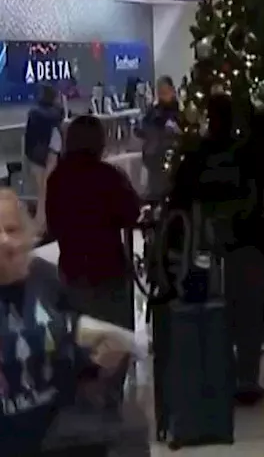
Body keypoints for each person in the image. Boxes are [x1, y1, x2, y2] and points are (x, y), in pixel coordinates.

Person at [168, 97, 264, 405]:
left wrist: (177, 243)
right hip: (249, 242)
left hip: (204, 245)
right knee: (247, 313)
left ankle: (212, 376)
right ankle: (246, 379)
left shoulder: (196, 154)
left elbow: (177, 199)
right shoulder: (255, 153)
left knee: (210, 313)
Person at [0, 188, 138, 456]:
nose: (5, 240)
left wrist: (104, 360)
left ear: (27, 235)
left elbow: (74, 346)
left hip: (57, 434)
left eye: (12, 229)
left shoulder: (46, 279)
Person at [44, 115, 142, 397]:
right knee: (115, 342)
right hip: (108, 271)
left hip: (73, 274)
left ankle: (86, 407)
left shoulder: (57, 180)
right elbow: (131, 212)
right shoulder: (108, 176)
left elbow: (53, 225)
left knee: (82, 348)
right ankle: (111, 403)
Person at [24, 84, 64, 233]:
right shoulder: (55, 113)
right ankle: (43, 222)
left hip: (36, 155)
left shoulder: (34, 113)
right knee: (45, 191)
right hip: (50, 154)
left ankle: (42, 222)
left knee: (43, 191)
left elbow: (29, 137)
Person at [136, 76, 182, 203]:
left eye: (165, 91)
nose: (162, 95)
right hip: (153, 158)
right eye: (160, 91)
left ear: (172, 90)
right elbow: (142, 129)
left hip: (170, 159)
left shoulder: (179, 112)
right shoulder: (153, 111)